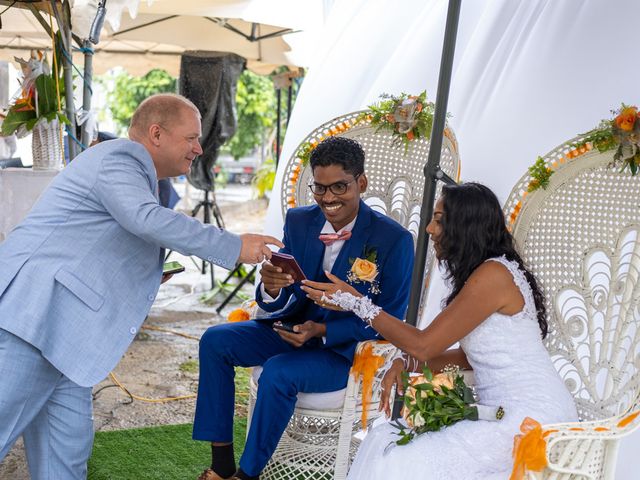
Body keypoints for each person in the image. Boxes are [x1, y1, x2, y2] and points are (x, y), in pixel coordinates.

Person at [0, 93, 283, 480]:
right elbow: (144, 219)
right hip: (33, 322)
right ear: (156, 133)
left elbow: (104, 240)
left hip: (64, 341)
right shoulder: (121, 158)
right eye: (192, 138)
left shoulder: (133, 173)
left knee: (65, 458)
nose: (199, 149)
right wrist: (234, 245)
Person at [302, 182, 578, 479]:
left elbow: (423, 345)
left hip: (530, 421)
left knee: (404, 457)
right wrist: (405, 362)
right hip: (498, 413)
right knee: (385, 438)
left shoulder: (494, 275)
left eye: (438, 219)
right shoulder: (486, 272)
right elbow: (476, 357)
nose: (429, 229)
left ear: (465, 225)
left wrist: (357, 302)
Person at [193, 136, 415, 480]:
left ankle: (245, 475)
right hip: (290, 331)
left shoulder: (394, 240)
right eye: (320, 188)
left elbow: (391, 317)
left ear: (361, 183)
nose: (328, 198)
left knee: (280, 371)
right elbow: (287, 292)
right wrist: (271, 286)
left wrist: (324, 330)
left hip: (345, 351)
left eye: (339, 187)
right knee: (215, 341)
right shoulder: (299, 220)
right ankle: (221, 461)